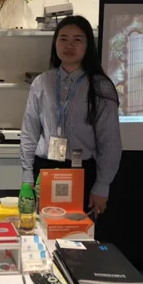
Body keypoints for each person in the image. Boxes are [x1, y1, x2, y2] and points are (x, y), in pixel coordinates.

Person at [20, 15, 122, 218]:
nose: (69, 45)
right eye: (63, 39)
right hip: (45, 170)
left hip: (82, 172)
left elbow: (109, 141)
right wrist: (27, 175)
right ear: (55, 43)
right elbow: (29, 133)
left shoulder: (100, 86)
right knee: (43, 228)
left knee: (77, 231)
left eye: (77, 39)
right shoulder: (41, 83)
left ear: (87, 45)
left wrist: (102, 185)